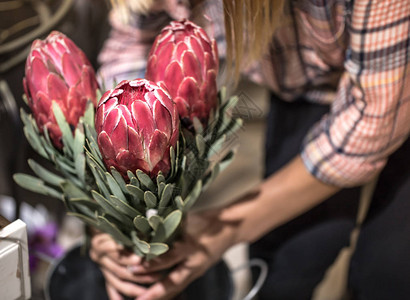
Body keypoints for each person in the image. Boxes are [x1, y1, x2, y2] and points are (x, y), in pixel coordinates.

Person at [89, 0, 410, 299]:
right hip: (311, 84)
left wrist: (227, 226)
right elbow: (137, 41)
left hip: (391, 83)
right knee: (291, 254)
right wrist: (119, 214)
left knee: (387, 269)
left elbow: (374, 121)